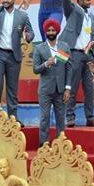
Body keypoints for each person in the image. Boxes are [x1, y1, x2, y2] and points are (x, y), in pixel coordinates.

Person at [62, 0, 94, 128]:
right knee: (71, 86)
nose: (90, 2)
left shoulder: (90, 16)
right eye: (87, 0)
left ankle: (90, 118)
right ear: (79, 0)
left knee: (90, 89)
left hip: (87, 56)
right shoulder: (72, 11)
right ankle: (70, 118)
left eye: (91, 0)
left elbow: (93, 34)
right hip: (74, 54)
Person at [33, 19, 72, 148]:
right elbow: (35, 69)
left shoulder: (64, 47)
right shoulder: (39, 48)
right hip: (45, 90)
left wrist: (67, 89)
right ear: (45, 32)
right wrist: (46, 64)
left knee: (61, 118)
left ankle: (60, 145)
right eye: (48, 30)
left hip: (61, 90)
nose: (51, 32)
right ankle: (44, 144)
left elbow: (69, 68)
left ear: (57, 31)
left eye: (53, 30)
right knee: (44, 118)